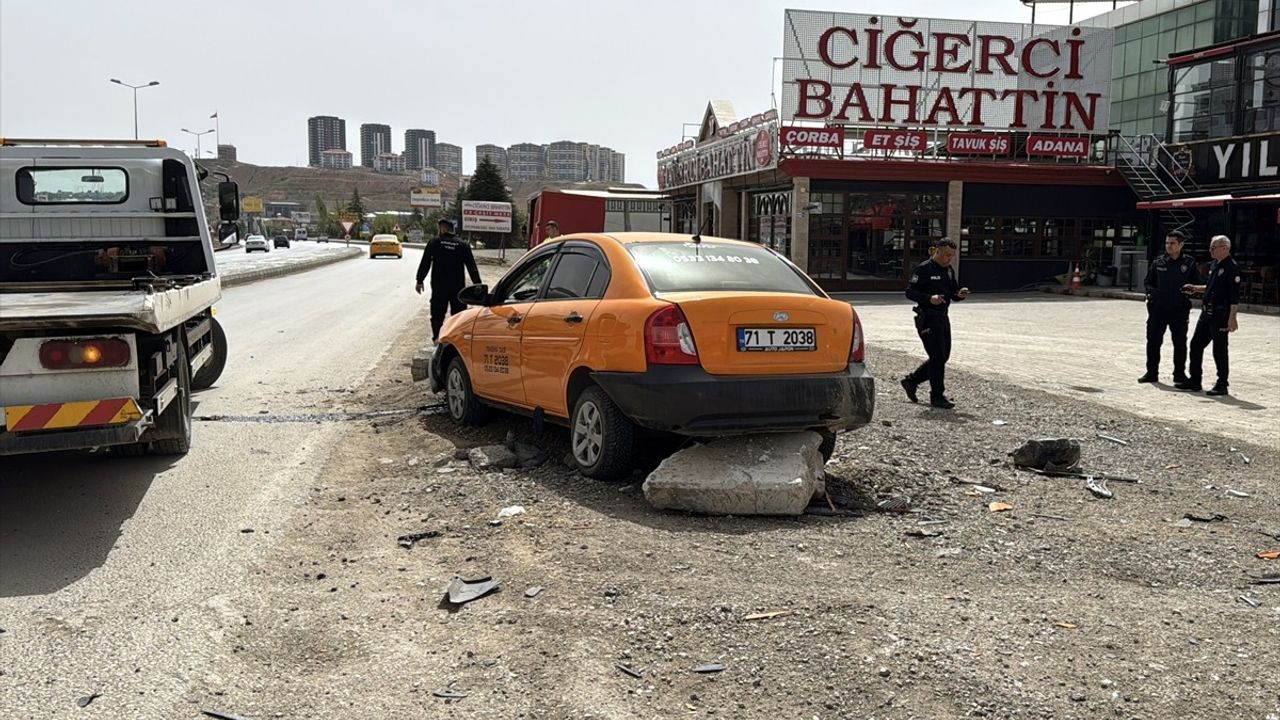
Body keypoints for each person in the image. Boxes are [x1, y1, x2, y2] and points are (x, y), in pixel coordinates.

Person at [902, 238, 970, 409]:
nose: (949, 259)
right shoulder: (924, 268)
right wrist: (929, 299)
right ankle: (937, 395)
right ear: (937, 251)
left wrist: (959, 294)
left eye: (952, 256)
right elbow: (910, 292)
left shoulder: (948, 270)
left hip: (942, 317)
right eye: (947, 255)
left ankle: (911, 381)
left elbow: (953, 292)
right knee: (937, 357)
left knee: (943, 356)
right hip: (928, 318)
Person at [1177, 235, 1240, 396]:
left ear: (1225, 248)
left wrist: (1232, 317)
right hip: (1207, 313)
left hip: (1221, 313)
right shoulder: (1214, 264)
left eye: (1214, 248)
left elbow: (1234, 296)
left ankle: (1222, 383)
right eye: (1210, 247)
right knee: (1196, 344)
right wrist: (1195, 288)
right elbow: (1211, 287)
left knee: (1219, 349)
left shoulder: (1231, 267)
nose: (1210, 250)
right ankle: (1195, 380)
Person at [1139, 229, 1201, 384]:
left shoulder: (1189, 263)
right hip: (1158, 309)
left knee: (1180, 342)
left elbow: (1197, 284)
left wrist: (1191, 291)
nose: (1169, 246)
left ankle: (1179, 374)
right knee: (1153, 341)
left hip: (1179, 309)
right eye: (1167, 243)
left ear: (1181, 245)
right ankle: (1151, 372)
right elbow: (1148, 282)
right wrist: (1153, 293)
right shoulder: (1158, 262)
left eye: (1173, 243)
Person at [415, 219, 482, 342]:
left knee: (437, 314)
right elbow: (472, 267)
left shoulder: (434, 242)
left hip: (439, 286)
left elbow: (425, 262)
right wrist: (478, 285)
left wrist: (420, 280)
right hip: (457, 287)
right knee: (458, 314)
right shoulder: (463, 245)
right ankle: (456, 339)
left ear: (442, 228)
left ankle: (437, 337)